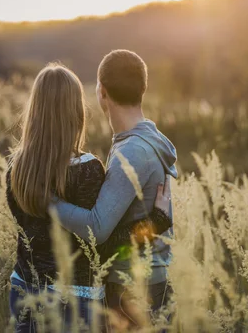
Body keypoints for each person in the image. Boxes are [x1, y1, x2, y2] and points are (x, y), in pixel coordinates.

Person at [6, 62, 173, 332]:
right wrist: (156, 221)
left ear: (34, 109)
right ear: (76, 112)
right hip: (74, 300)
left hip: (24, 288)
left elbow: (30, 230)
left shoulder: (16, 168)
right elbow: (101, 245)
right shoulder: (87, 170)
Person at [51, 49, 177, 327]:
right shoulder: (148, 139)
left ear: (101, 91)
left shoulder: (132, 152)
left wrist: (50, 203)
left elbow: (97, 228)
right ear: (143, 88)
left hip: (133, 289)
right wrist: (155, 223)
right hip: (149, 281)